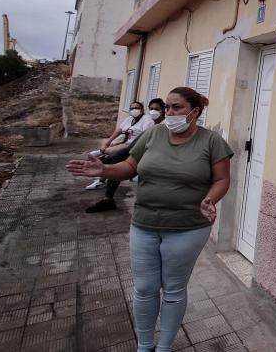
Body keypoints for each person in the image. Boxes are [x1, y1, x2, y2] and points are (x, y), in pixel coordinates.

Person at [66, 87, 233, 352]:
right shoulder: (153, 134)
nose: (169, 112)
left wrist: (210, 199)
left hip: (187, 228)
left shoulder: (212, 142)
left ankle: (164, 347)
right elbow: (130, 167)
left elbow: (222, 179)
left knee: (173, 290)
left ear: (195, 112)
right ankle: (144, 346)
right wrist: (105, 169)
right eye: (167, 107)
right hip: (144, 224)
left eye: (177, 107)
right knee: (144, 288)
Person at [85, 98, 166, 213]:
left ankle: (105, 187)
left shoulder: (162, 124)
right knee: (115, 158)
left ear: (163, 110)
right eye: (151, 109)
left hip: (152, 156)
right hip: (140, 151)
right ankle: (107, 195)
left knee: (115, 157)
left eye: (156, 109)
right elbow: (138, 141)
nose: (153, 111)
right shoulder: (153, 124)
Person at [84, 100, 154, 190]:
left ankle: (100, 157)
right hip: (124, 143)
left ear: (142, 110)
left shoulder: (147, 120)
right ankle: (101, 179)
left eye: (137, 108)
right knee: (111, 155)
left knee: (111, 156)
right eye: (132, 108)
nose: (134, 110)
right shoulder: (129, 119)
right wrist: (106, 143)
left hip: (135, 146)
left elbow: (145, 136)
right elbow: (118, 131)